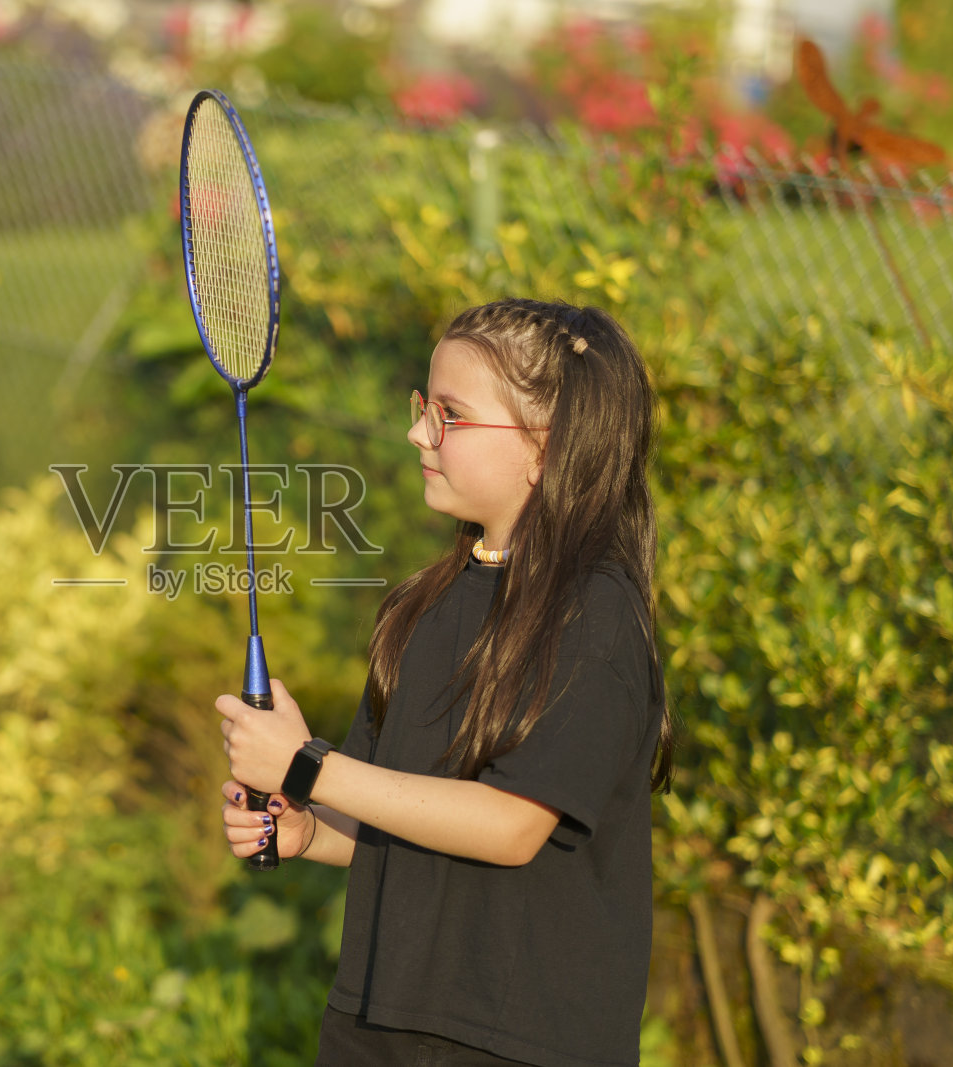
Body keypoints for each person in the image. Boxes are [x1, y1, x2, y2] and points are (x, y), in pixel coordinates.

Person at [216, 298, 675, 1067]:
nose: (418, 433)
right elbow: (394, 808)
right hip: (375, 1024)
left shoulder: (596, 617)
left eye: (451, 415)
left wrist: (307, 764)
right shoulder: (418, 609)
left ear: (547, 448)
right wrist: (311, 828)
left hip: (520, 1044)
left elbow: (510, 825)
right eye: (423, 407)